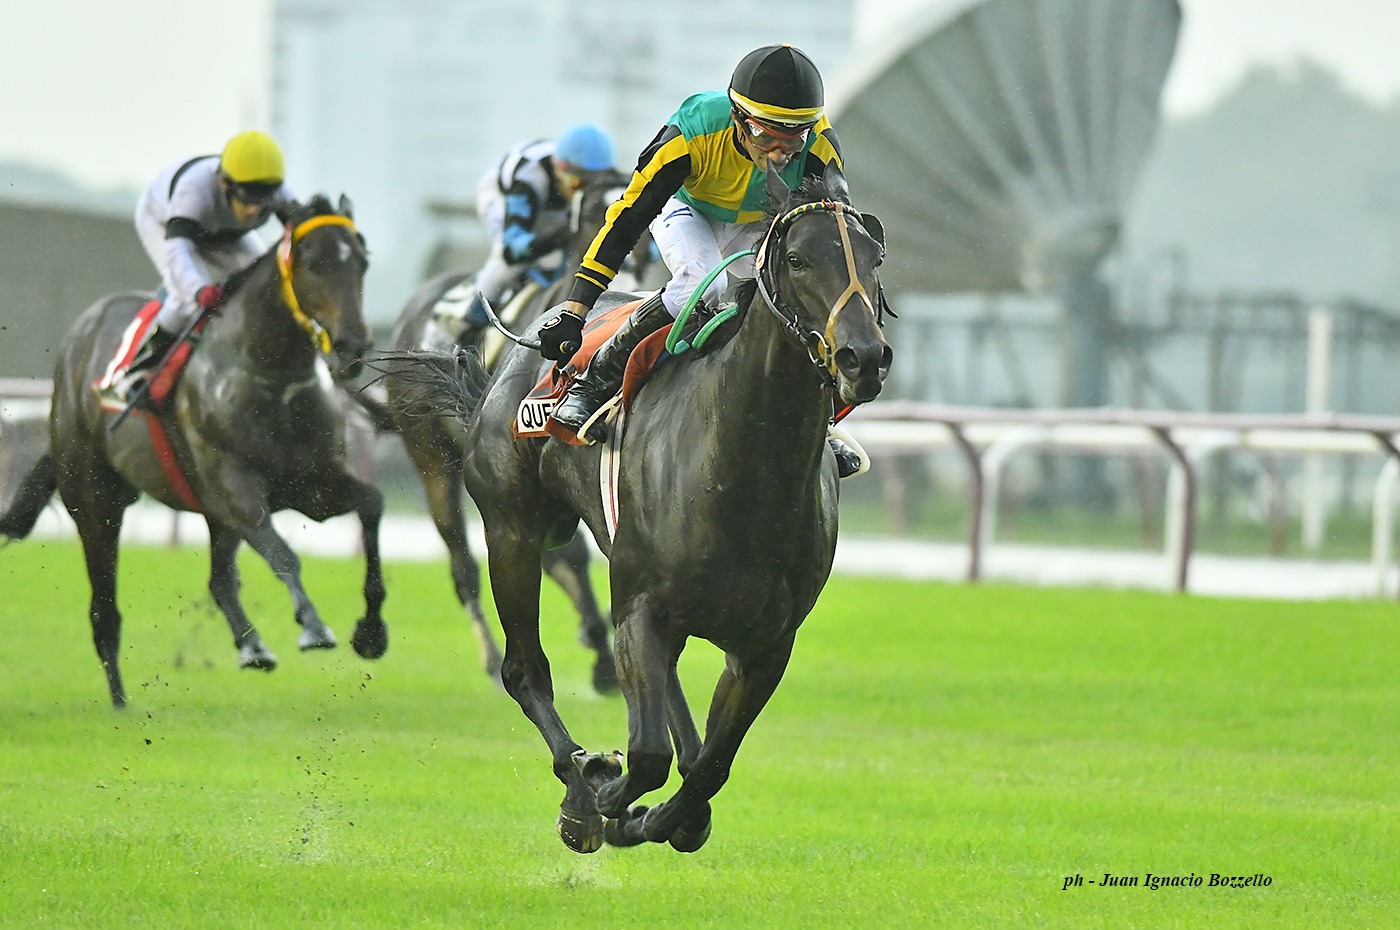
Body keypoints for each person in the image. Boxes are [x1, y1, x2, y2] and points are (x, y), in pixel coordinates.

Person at [541, 44, 864, 475]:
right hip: (686, 208)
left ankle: (818, 421)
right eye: (765, 136)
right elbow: (627, 219)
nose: (779, 154)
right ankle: (596, 378)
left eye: (794, 139)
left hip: (757, 219)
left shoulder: (820, 145)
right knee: (704, 285)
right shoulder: (691, 132)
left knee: (794, 294)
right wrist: (576, 309)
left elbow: (830, 238)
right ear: (737, 117)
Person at [95, 130, 295, 410]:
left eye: (264, 201)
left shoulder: (279, 191)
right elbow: (178, 250)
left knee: (267, 287)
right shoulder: (194, 190)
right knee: (184, 300)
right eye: (247, 199)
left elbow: (302, 234)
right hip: (164, 225)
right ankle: (133, 374)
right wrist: (198, 290)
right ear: (224, 183)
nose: (254, 210)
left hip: (226, 234)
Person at [449, 123, 616, 338]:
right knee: (509, 265)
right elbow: (513, 250)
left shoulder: (574, 175)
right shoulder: (528, 179)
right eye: (579, 185)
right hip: (500, 196)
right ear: (560, 167)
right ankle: (471, 323)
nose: (585, 192)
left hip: (552, 201)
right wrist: (559, 236)